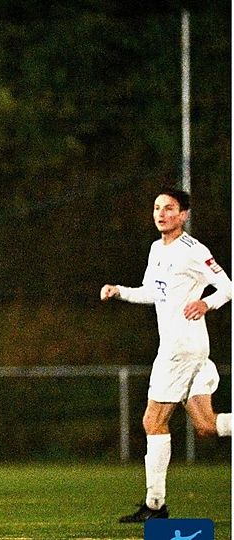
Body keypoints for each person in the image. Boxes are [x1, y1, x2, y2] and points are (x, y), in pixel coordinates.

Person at [100, 186, 231, 523]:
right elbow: (151, 293)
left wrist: (206, 302)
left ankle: (155, 507)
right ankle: (155, 506)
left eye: (169, 208)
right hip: (186, 348)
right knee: (205, 425)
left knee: (152, 421)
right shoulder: (157, 249)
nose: (161, 213)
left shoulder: (193, 250)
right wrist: (120, 292)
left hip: (180, 349)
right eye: (157, 207)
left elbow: (227, 287)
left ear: (183, 215)